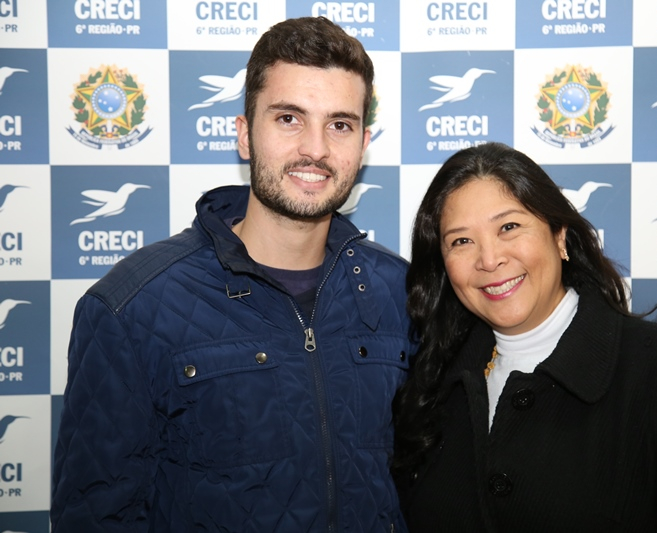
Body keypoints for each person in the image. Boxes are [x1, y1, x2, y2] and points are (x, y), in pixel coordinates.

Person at [51, 17, 413, 532]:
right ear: (244, 135)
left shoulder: (401, 293)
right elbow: (96, 517)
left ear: (362, 143)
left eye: (340, 124)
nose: (316, 148)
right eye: (289, 118)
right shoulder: (132, 309)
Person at [392, 142, 657, 532]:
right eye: (461, 241)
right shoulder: (431, 382)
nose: (489, 260)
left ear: (560, 236)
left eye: (509, 227)